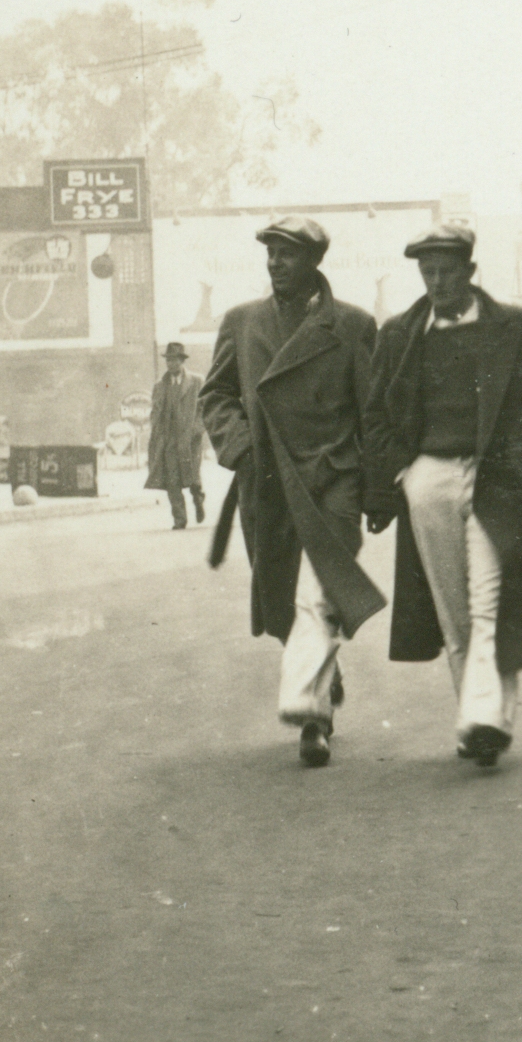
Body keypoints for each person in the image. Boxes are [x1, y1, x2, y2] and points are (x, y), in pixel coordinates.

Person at [363, 222, 522, 768]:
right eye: (427, 273)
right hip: (428, 481)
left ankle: (484, 716)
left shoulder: (513, 327)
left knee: (488, 600)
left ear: (470, 273)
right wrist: (398, 478)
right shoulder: (400, 334)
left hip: (499, 477)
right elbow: (376, 417)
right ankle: (482, 720)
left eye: (446, 272)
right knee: (454, 613)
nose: (435, 283)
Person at [200, 216, 385, 769]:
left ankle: (313, 716)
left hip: (333, 477)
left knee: (318, 591)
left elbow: (372, 413)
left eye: (287, 254)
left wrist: (378, 491)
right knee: (285, 597)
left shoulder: (352, 326)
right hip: (269, 481)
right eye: (271, 253)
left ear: (314, 263)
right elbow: (215, 396)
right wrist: (243, 448)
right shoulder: (241, 322)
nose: (276, 263)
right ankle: (323, 672)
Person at [146, 342, 207, 530]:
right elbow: (155, 413)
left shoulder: (197, 381)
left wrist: (197, 430)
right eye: (168, 360)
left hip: (191, 440)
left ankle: (198, 499)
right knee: (172, 480)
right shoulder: (160, 386)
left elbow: (205, 409)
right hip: (169, 441)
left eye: (174, 360)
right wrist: (157, 435)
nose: (170, 364)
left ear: (182, 360)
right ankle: (179, 519)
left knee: (193, 478)